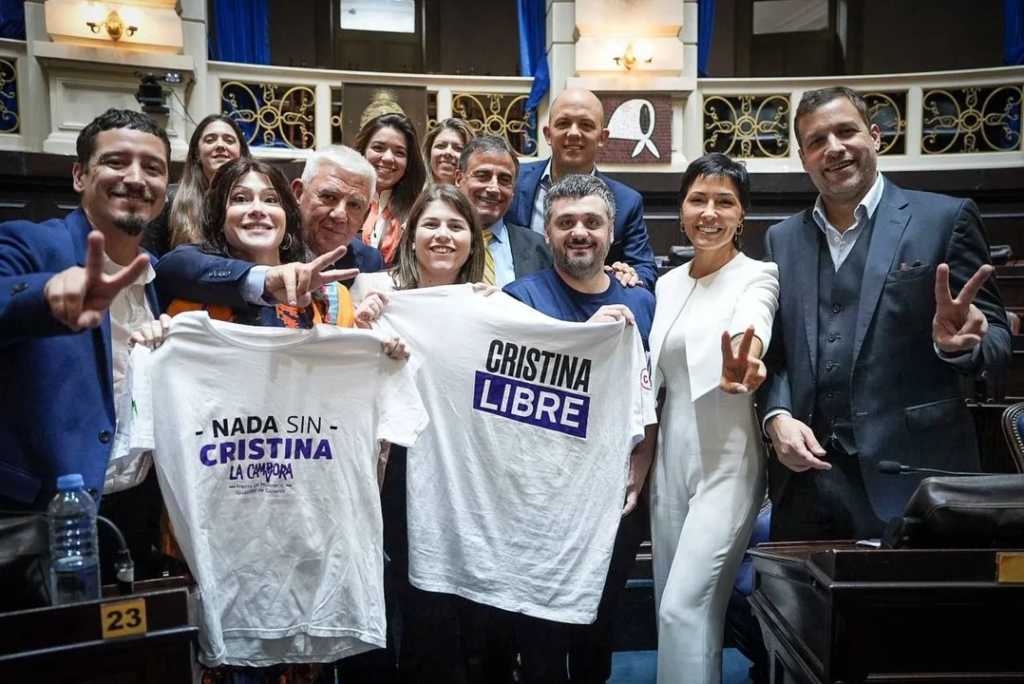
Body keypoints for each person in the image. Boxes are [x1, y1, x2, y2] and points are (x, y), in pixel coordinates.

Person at [757, 86, 1011, 542]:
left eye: (846, 131)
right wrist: (776, 416)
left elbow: (996, 343)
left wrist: (960, 347)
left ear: (874, 136)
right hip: (805, 483)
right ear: (803, 158)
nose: (834, 148)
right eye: (817, 141)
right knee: (794, 591)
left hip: (914, 477)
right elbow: (775, 357)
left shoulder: (945, 218)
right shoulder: (782, 239)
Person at [0, 109, 170, 600]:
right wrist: (46, 295)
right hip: (43, 526)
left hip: (138, 519)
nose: (135, 178)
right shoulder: (31, 244)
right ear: (79, 175)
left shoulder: (159, 277)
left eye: (153, 168)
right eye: (116, 162)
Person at [502, 173, 656, 683]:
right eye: (566, 222)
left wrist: (641, 462)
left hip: (615, 493)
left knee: (599, 627)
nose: (580, 232)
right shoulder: (518, 299)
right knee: (541, 636)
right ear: (547, 232)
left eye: (592, 222)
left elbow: (651, 395)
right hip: (540, 498)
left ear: (611, 232)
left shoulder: (642, 301)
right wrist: (582, 340)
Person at [347, 183, 487, 684]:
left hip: (455, 474)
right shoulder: (371, 291)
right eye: (431, 224)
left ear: (472, 240)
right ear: (410, 235)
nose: (443, 235)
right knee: (377, 596)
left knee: (437, 608)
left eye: (456, 225)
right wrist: (362, 328)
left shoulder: (489, 304)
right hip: (387, 470)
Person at [647, 153, 778, 684]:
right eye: (698, 199)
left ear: (742, 215)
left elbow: (754, 322)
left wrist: (749, 359)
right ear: (681, 210)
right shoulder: (665, 284)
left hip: (728, 458)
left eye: (725, 202)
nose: (709, 212)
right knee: (668, 607)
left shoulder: (758, 275)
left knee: (687, 608)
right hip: (668, 458)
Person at [155, 146, 381, 317]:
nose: (340, 214)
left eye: (354, 205)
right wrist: (263, 279)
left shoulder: (368, 263)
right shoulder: (197, 275)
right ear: (297, 193)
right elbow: (174, 268)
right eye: (328, 196)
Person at [505, 87, 659, 289]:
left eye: (586, 125)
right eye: (563, 123)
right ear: (548, 134)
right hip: (518, 299)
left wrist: (626, 276)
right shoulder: (511, 182)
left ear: (602, 137)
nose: (573, 133)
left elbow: (644, 270)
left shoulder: (626, 202)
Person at [142, 114, 250, 257]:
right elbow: (150, 259)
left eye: (229, 141)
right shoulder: (170, 199)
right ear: (197, 153)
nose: (220, 145)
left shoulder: (256, 202)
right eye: (210, 140)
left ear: (241, 153)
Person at [451, 134, 551, 288]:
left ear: (513, 190)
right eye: (482, 176)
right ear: (459, 179)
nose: (493, 188)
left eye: (504, 180)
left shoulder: (540, 248)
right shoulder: (436, 241)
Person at [353, 113, 427, 265]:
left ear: (408, 163)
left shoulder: (420, 211)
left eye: (399, 152)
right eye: (378, 148)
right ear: (362, 152)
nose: (387, 158)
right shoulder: (341, 203)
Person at [422, 118, 475, 186]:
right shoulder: (414, 190)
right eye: (440, 146)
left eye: (458, 148)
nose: (448, 152)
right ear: (429, 152)